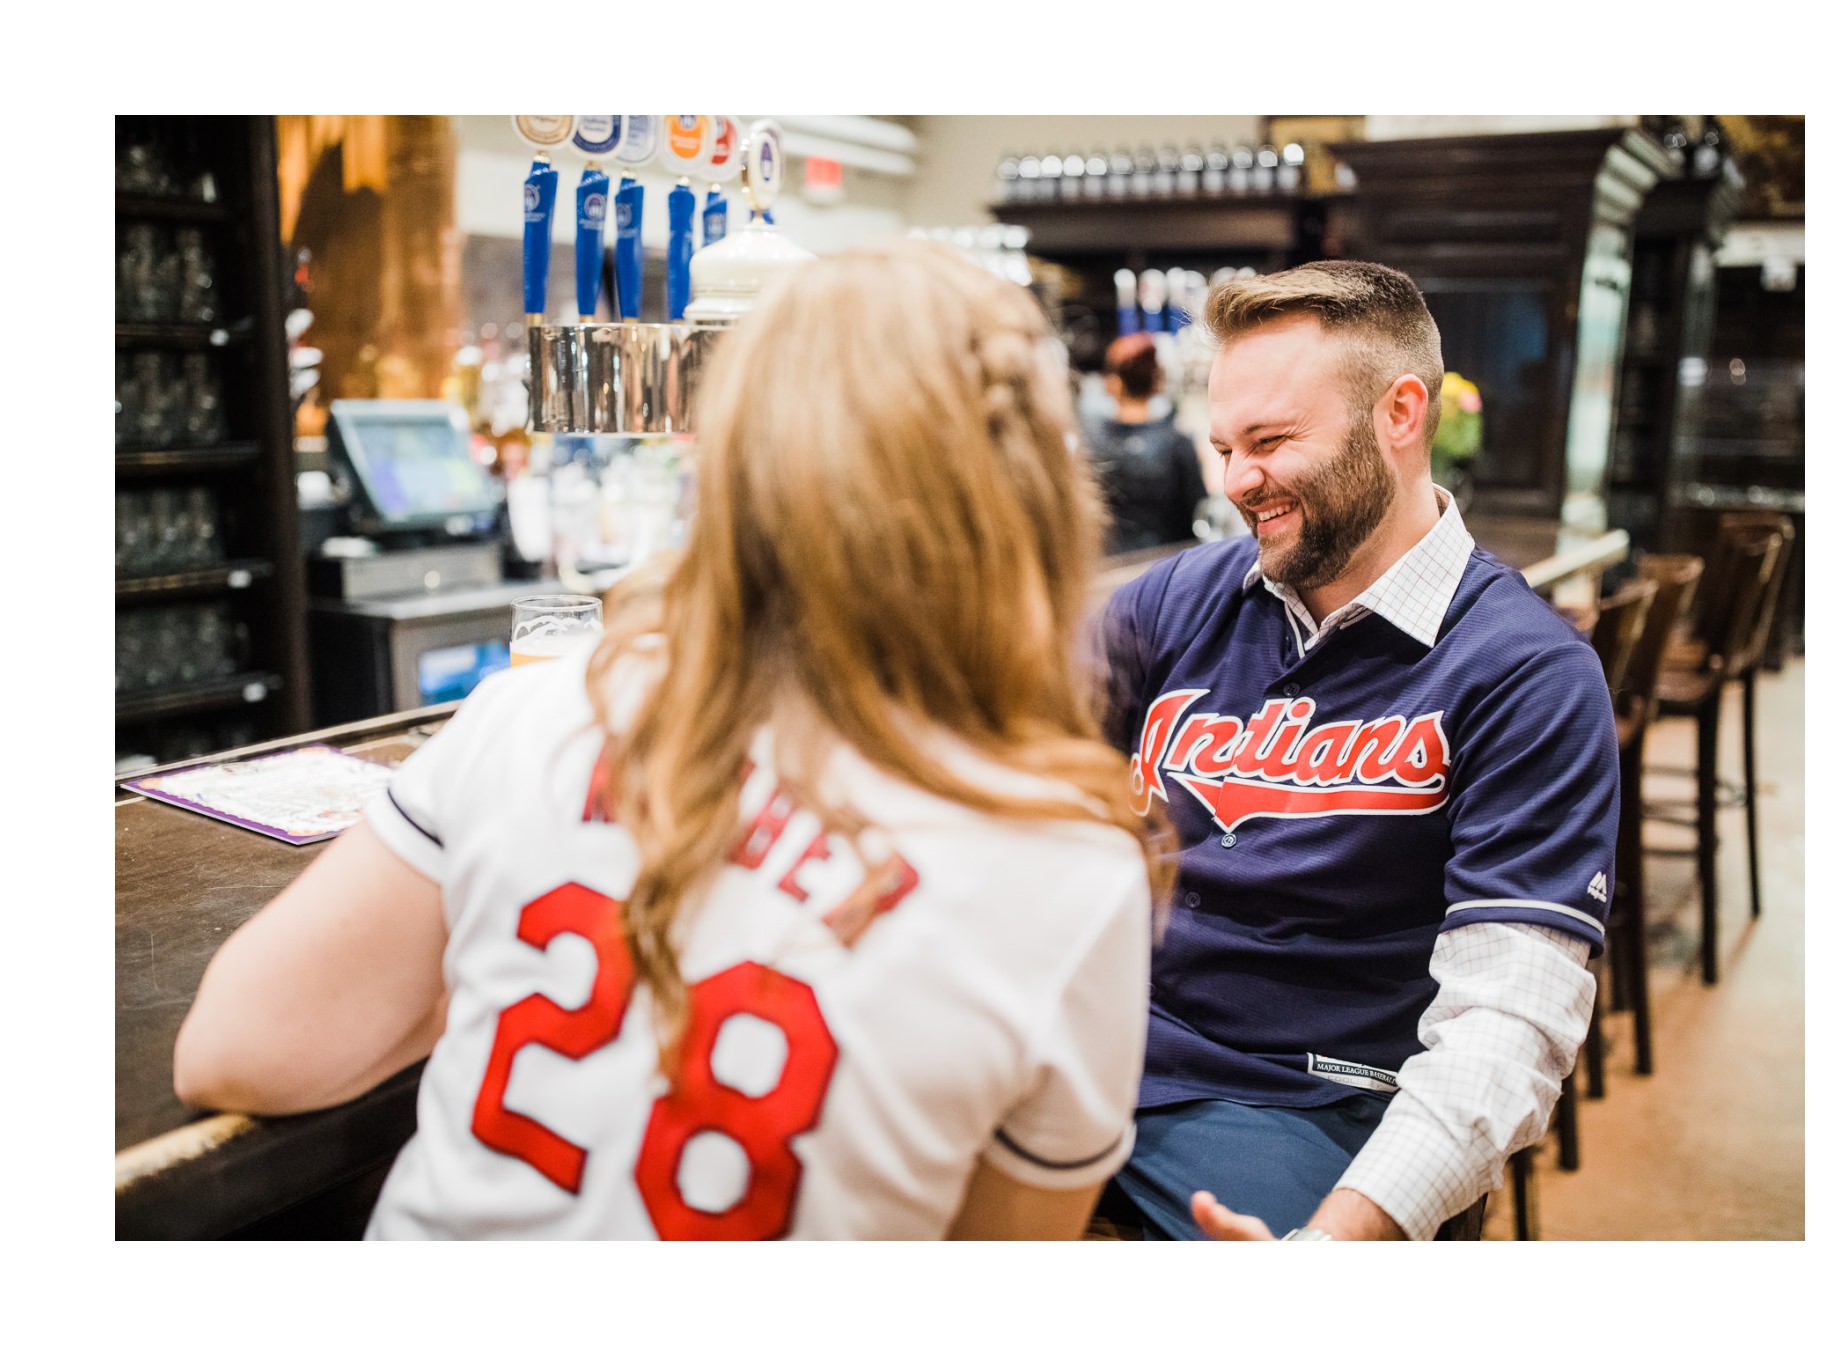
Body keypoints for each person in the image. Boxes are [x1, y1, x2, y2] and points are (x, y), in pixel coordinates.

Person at [172, 240, 1170, 1240]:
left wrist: (466, 979)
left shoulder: (550, 707)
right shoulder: (1072, 871)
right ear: (1039, 494)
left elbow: (238, 1049)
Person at [1096, 260, 1617, 1241]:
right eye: (1224, 447)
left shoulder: (1525, 673)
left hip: (1314, 1105)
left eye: (1272, 442)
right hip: (1091, 1049)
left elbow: (1512, 1016)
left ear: (1401, 413)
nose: (1238, 482)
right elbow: (1007, 774)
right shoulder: (1176, 603)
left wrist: (1336, 1246)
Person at [1080, 333, 1209, 556]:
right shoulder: (1177, 443)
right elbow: (1197, 509)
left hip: (1109, 566)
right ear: (1156, 381)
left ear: (1112, 383)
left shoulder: (1091, 444)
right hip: (1169, 566)